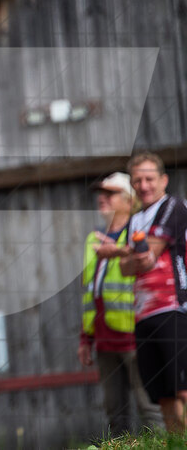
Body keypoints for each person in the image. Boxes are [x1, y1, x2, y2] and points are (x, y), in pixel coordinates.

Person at [79, 172, 163, 434]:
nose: (102, 199)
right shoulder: (94, 240)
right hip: (104, 341)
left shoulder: (140, 236)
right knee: (115, 414)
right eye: (100, 194)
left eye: (111, 193)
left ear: (129, 201)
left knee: (151, 408)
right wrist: (86, 338)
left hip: (136, 336)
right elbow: (90, 293)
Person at [118, 152, 187, 432]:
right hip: (143, 313)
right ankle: (176, 443)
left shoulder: (173, 206)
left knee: (183, 387)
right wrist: (130, 256)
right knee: (163, 394)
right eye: (137, 180)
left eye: (149, 178)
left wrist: (121, 253)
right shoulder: (135, 220)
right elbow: (125, 268)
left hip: (174, 306)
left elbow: (145, 259)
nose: (143, 185)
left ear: (163, 180)